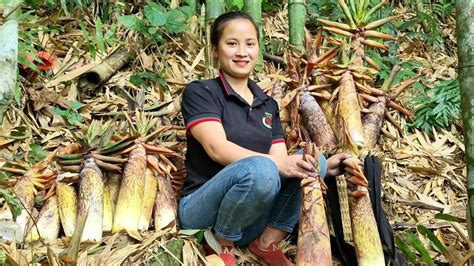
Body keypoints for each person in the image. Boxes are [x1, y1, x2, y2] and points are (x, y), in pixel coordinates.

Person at [179, 11, 351, 266]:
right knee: (263, 168)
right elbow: (216, 148)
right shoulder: (201, 91)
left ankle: (265, 243)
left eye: (250, 44)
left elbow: (281, 163)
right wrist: (275, 164)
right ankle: (219, 244)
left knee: (312, 162)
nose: (242, 52)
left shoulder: (267, 104)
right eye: (232, 43)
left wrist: (323, 167)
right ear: (215, 49)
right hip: (202, 213)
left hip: (250, 219)